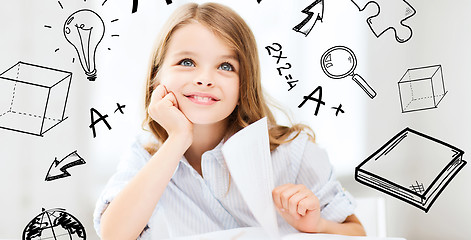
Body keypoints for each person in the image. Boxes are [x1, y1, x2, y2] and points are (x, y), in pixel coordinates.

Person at [94, 2, 366, 239]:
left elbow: (359, 234)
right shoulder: (145, 154)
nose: (204, 78)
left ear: (242, 86)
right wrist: (178, 139)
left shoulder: (291, 152)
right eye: (187, 62)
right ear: (157, 76)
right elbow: (114, 235)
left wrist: (317, 225)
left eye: (226, 67)